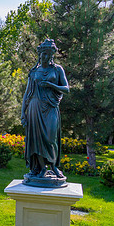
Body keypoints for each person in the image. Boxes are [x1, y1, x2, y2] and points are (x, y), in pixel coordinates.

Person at [21, 39, 69, 178]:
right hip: (34, 107)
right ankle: (41, 168)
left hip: (51, 107)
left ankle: (53, 166)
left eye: (48, 55)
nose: (45, 57)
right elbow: (26, 94)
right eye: (43, 54)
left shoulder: (57, 69)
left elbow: (66, 89)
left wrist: (50, 85)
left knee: (50, 137)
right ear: (39, 55)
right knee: (37, 139)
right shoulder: (34, 72)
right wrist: (23, 114)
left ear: (52, 56)